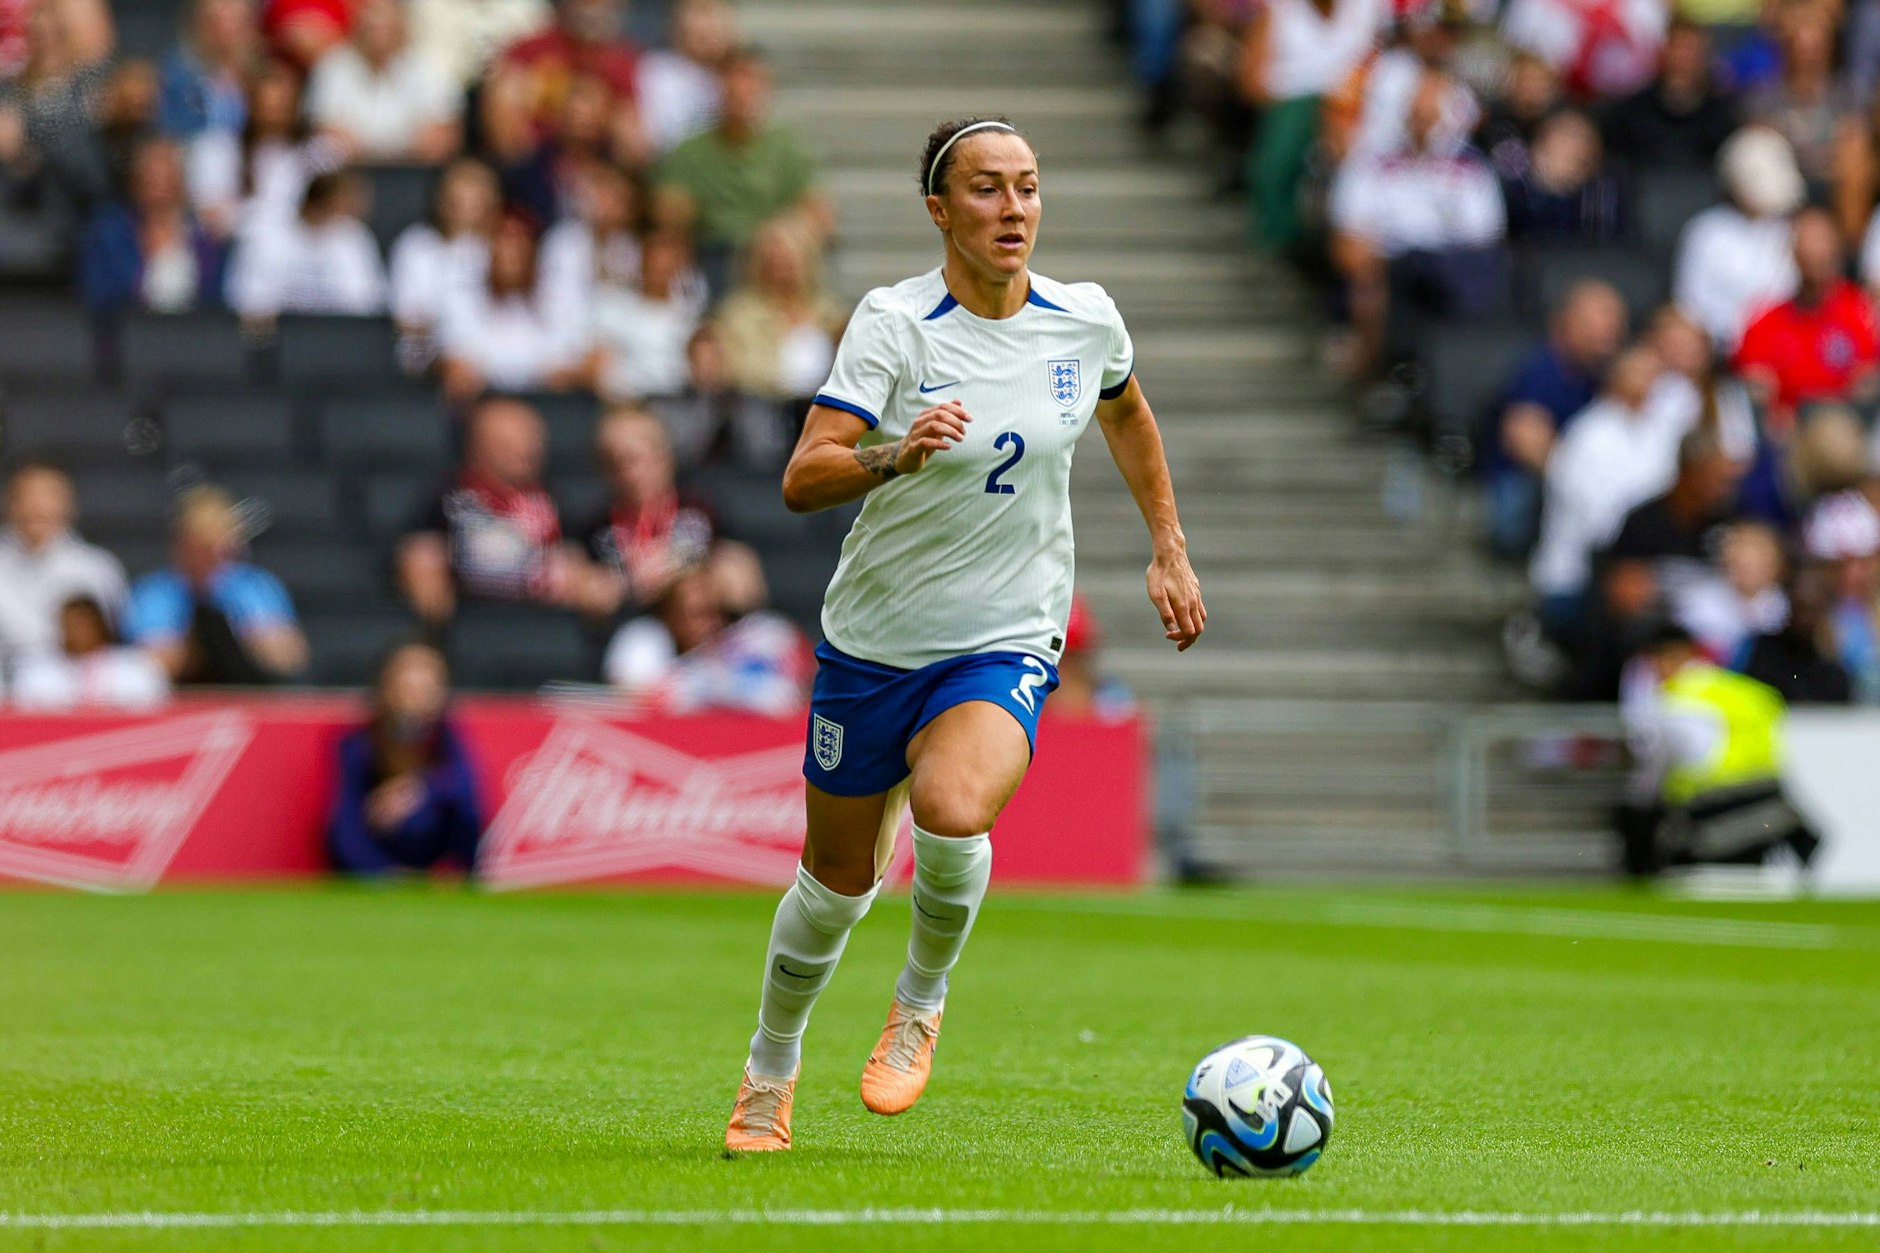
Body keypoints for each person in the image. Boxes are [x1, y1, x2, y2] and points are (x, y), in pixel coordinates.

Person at [722, 116, 1205, 1151]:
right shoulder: (896, 324)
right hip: (873, 641)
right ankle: (770, 1064)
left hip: (1005, 631)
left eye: (1027, 187)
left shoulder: (1084, 320)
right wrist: (893, 454)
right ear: (939, 210)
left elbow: (1126, 412)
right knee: (834, 884)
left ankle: (919, 999)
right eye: (986, 189)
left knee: (948, 806)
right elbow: (804, 474)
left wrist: (1165, 543)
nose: (1013, 208)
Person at [1328, 70, 1506, 377]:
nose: (1422, 120)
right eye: (1415, 111)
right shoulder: (1370, 160)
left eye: (1430, 113)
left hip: (1450, 266)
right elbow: (1349, 232)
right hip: (1391, 264)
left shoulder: (1470, 166)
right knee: (1367, 281)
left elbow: (1484, 234)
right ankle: (1378, 378)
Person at [1619, 622, 1819, 875]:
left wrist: (1641, 798)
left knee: (1640, 819)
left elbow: (1685, 762)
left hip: (1716, 806)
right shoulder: (1745, 690)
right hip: (1769, 799)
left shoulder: (1676, 702)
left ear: (1663, 660)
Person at [1530, 345, 1689, 637]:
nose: (1649, 381)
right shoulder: (1587, 436)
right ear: (1615, 377)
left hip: (1642, 569)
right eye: (1639, 372)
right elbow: (1600, 523)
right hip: (1577, 581)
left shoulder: (1658, 432)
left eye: (1655, 374)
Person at [396, 396, 584, 629]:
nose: (528, 450)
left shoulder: (551, 499)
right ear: (479, 446)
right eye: (511, 443)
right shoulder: (451, 496)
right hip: (470, 617)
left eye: (533, 441)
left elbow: (577, 555)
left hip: (538, 618)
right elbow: (420, 551)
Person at [654, 46, 829, 286]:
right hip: (711, 257)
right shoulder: (690, 150)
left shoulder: (786, 147)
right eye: (735, 81)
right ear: (719, 87)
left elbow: (819, 215)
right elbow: (670, 215)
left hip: (770, 256)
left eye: (753, 82)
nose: (743, 91)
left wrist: (777, 236)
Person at [1487, 280, 1629, 558]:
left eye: (1613, 324)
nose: (1605, 332)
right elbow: (1522, 436)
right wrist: (1580, 479)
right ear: (1563, 324)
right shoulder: (1541, 370)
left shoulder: (1610, 374)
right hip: (1530, 482)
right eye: (1593, 323)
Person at [1235, 0, 1384, 254]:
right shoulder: (1279, 8)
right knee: (1287, 137)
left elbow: (1382, 61)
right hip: (1292, 104)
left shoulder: (1370, 7)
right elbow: (1250, 84)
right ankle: (1279, 236)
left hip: (1357, 102)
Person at [122, 484, 309, 684]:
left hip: (249, 697)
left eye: (219, 544)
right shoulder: (153, 593)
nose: (211, 556)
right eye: (201, 546)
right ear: (180, 544)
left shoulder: (255, 586)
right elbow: (150, 664)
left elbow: (291, 658)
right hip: (180, 703)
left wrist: (239, 637)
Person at [327, 641, 483, 877]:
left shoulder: (447, 737)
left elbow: (468, 794)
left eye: (426, 689)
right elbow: (344, 826)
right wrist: (383, 873)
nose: (415, 700)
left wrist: (420, 789)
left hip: (439, 870)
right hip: (379, 866)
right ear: (385, 688)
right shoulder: (359, 744)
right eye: (407, 688)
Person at [603, 547, 812, 714]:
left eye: (713, 611)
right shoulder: (644, 638)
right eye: (694, 612)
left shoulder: (749, 642)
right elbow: (630, 702)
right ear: (669, 613)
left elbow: (788, 697)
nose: (708, 622)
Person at [1735, 207, 1880, 439]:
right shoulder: (1765, 322)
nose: (1814, 251)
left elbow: (1867, 386)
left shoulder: (1865, 314)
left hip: (1850, 436)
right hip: (1787, 440)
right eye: (1806, 241)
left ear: (1838, 248)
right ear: (1792, 252)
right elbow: (1756, 389)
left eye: (1821, 241)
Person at [577, 405, 716, 619]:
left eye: (634, 460)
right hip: (634, 628)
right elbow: (588, 590)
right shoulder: (595, 526)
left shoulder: (701, 511)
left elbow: (737, 572)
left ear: (664, 457)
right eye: (613, 464)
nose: (627, 474)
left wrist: (673, 571)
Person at [437, 212, 594, 400]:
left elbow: (567, 369)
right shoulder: (461, 293)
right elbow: (461, 366)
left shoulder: (561, 294)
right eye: (503, 243)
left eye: (519, 244)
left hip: (549, 405)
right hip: (484, 404)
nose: (512, 253)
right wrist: (537, 370)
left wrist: (492, 367)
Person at [1673, 126, 1802, 350]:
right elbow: (1689, 305)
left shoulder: (1790, 231)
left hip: (1785, 346)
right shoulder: (1706, 231)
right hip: (1720, 348)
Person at [78, 135, 228, 315]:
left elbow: (215, 298)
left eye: (167, 177)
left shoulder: (203, 237)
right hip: (129, 333)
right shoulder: (109, 234)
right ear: (136, 181)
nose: (159, 186)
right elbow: (98, 294)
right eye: (151, 177)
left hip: (190, 335)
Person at [0, 461, 127, 672]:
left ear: (69, 504)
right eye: (26, 497)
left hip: (78, 691)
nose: (37, 507)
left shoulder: (98, 569)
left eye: (48, 496)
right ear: (8, 503)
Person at [306, 0, 463, 163]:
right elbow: (327, 139)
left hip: (414, 177)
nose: (377, 21)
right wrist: (403, 144)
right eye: (371, 12)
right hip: (349, 176)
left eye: (385, 12)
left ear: (402, 20)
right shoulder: (332, 66)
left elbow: (439, 140)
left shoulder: (431, 68)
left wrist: (365, 147)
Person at [711, 217, 847, 406]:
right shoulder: (738, 314)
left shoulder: (830, 313)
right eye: (774, 262)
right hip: (762, 407)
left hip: (821, 407)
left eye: (789, 262)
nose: (782, 270)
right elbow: (737, 370)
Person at [224, 167, 388, 322]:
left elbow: (368, 302)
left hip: (337, 340)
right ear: (322, 201)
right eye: (348, 200)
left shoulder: (355, 237)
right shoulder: (265, 235)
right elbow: (245, 298)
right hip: (277, 341)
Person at [388, 155, 499, 367]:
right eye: (458, 193)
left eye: (476, 191)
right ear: (441, 197)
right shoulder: (416, 246)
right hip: (431, 361)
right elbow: (406, 319)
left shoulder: (502, 246)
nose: (466, 202)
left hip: (497, 362)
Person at [1601, 19, 1740, 169]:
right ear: (1663, 53)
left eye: (1692, 50)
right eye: (1678, 49)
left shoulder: (1724, 114)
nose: (1684, 58)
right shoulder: (1630, 112)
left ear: (1706, 56)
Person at [590, 226, 706, 401]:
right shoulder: (615, 308)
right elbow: (599, 367)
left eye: (669, 265)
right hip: (629, 403)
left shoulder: (691, 316)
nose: (661, 270)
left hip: (678, 404)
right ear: (642, 264)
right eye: (655, 262)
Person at [10, 594, 169, 710]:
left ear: (100, 625)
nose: (78, 631)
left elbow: (154, 711)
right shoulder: (37, 674)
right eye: (71, 624)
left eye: (84, 624)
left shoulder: (136, 668)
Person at [1499, 109, 1624, 243]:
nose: (1578, 148)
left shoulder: (1604, 196)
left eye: (1586, 140)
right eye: (1568, 137)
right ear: (1541, 142)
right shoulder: (1510, 191)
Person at [1739, 561, 1853, 701]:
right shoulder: (1765, 652)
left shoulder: (1835, 667)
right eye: (1801, 608)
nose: (1805, 619)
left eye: (1811, 609)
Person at [637, 0, 732, 153]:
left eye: (713, 14)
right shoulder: (656, 71)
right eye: (699, 12)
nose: (707, 26)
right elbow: (662, 140)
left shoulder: (735, 74)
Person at [158, 0, 256, 142]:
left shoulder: (260, 77)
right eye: (215, 22)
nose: (224, 31)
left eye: (233, 21)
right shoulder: (177, 75)